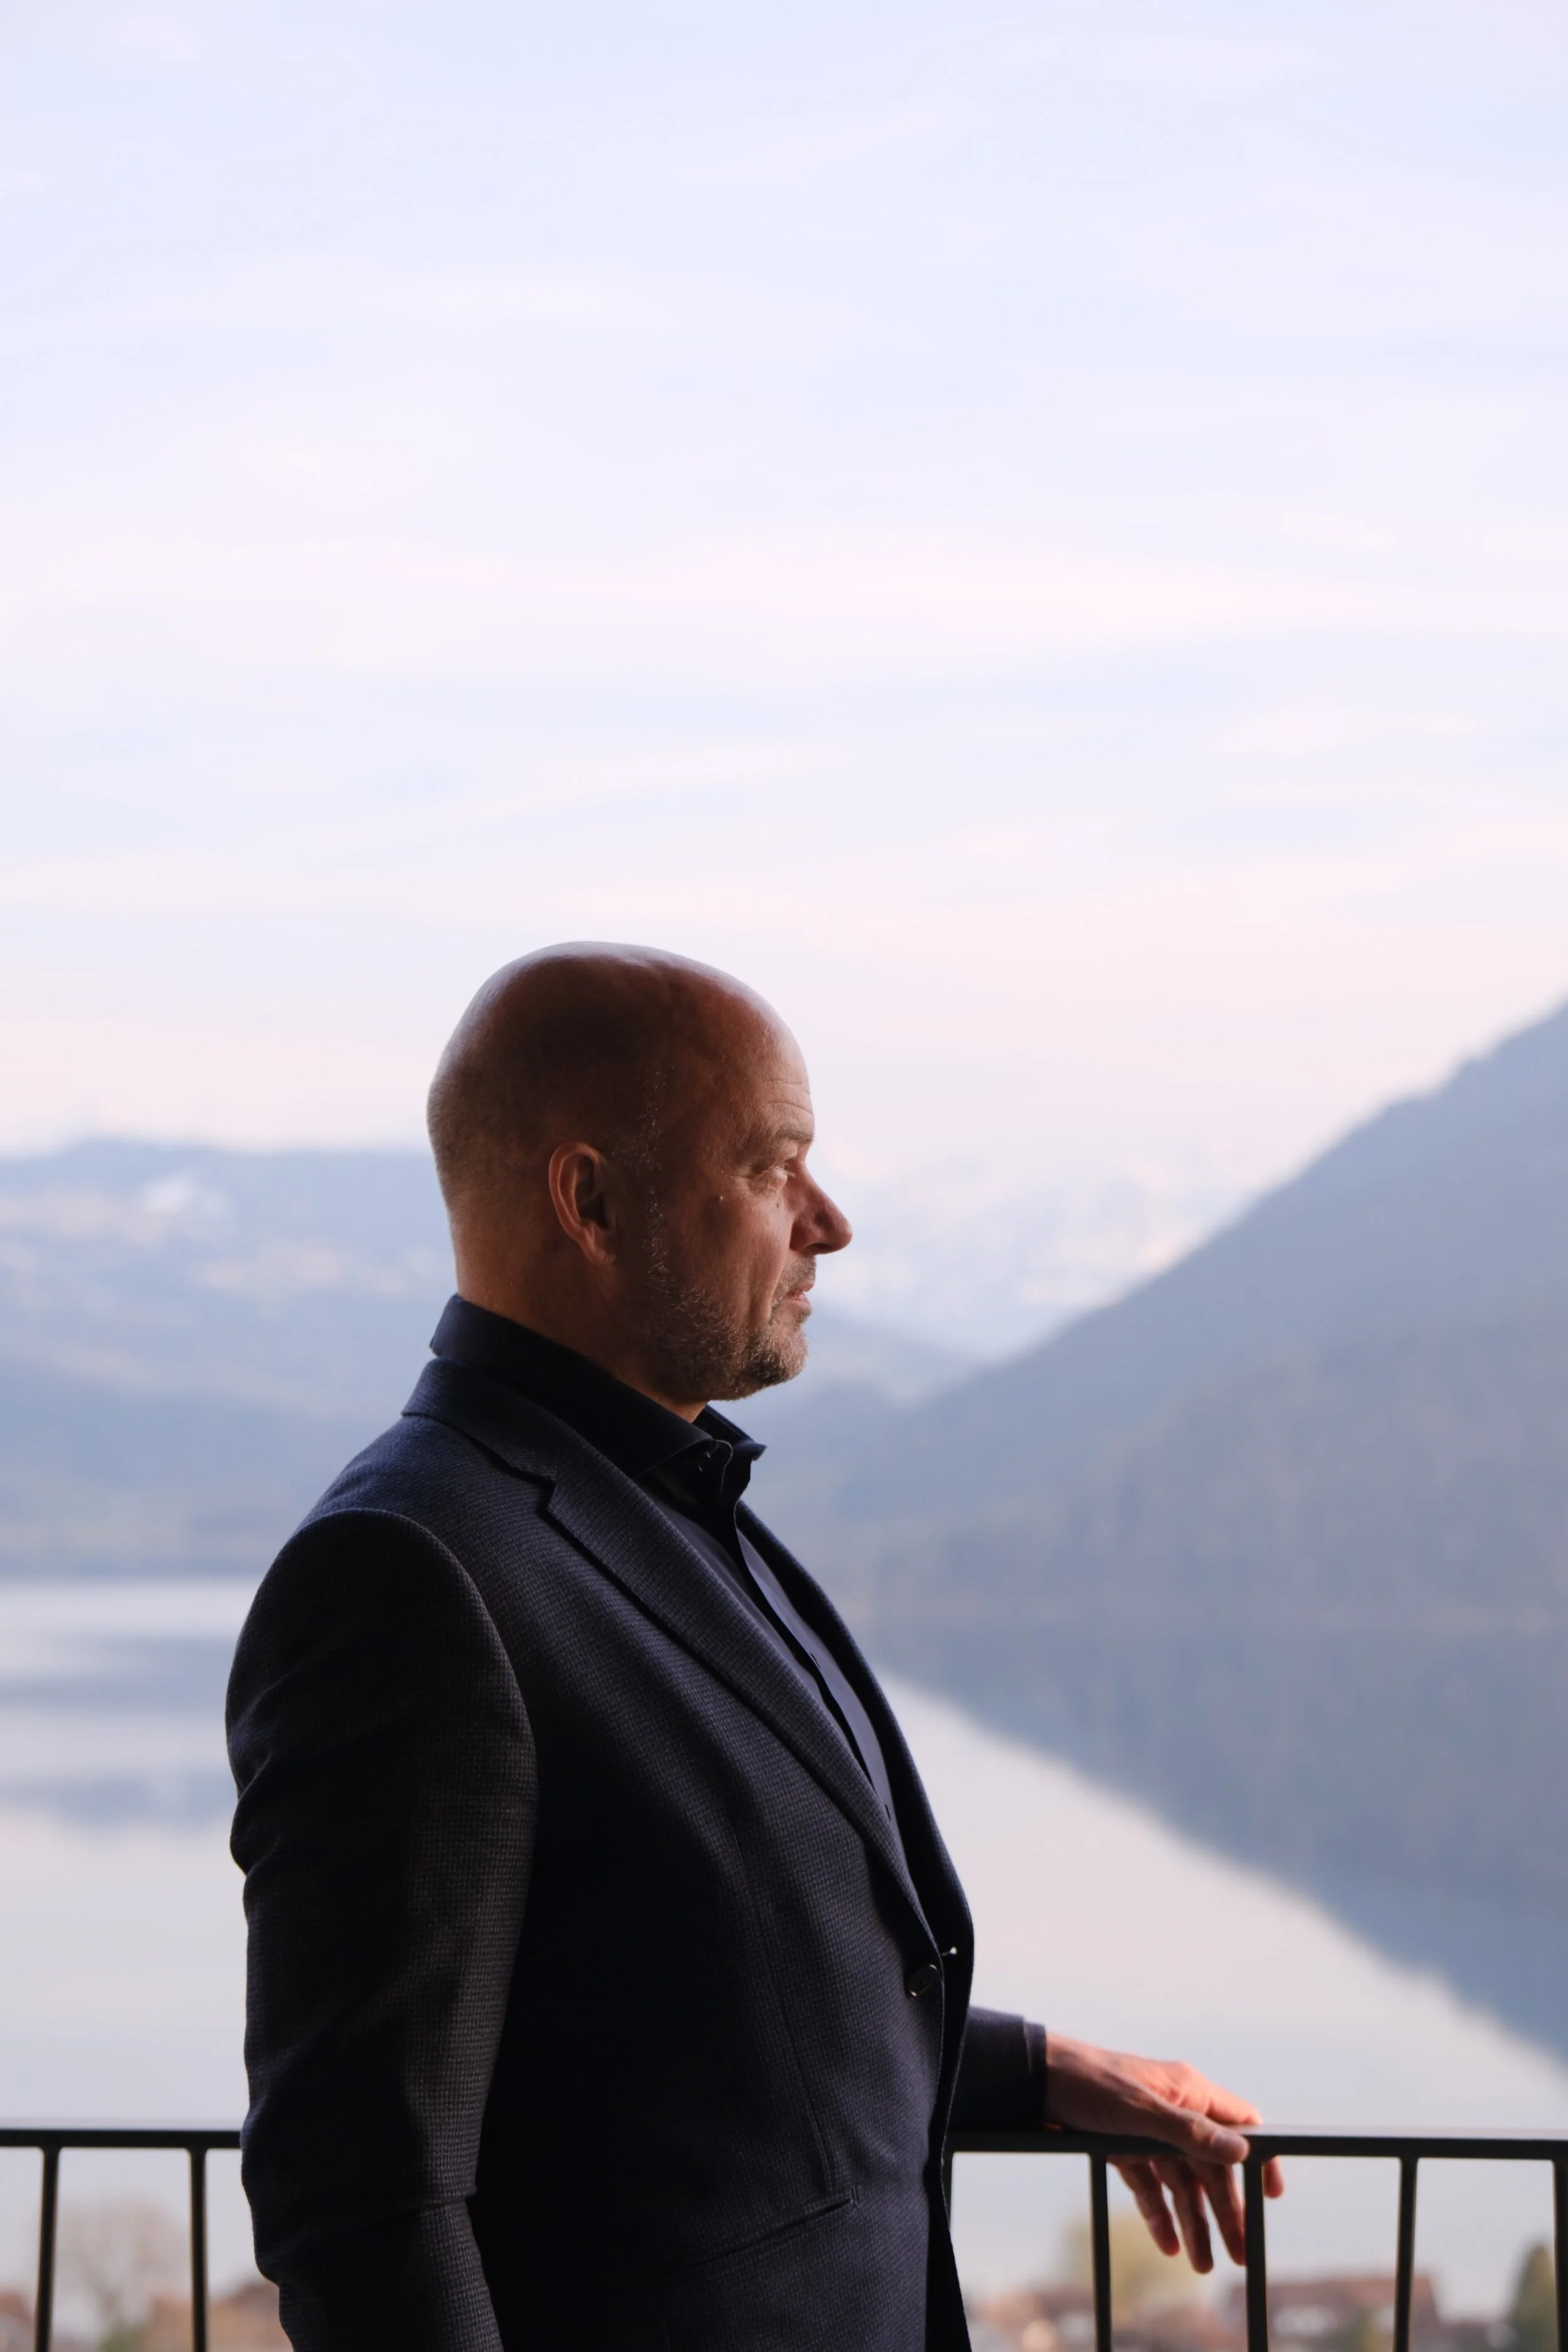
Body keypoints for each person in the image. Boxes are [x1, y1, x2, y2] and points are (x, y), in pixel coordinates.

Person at [228, 943, 1282, 2352]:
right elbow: (361, 2193)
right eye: (771, 1167)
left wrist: (1037, 2071)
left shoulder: (658, 1500)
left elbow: (688, 2012)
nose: (827, 1223)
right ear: (590, 1199)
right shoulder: (411, 1571)